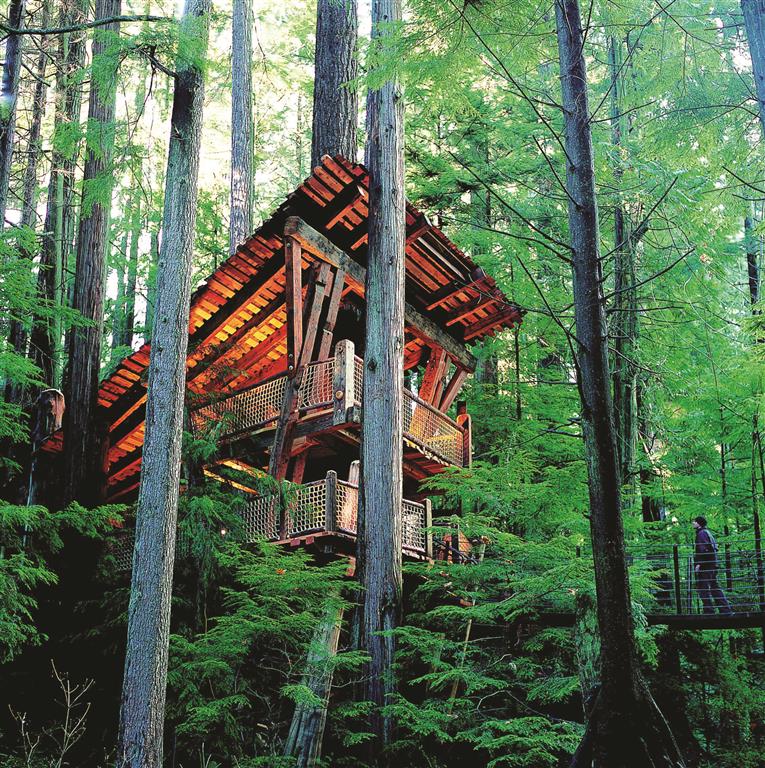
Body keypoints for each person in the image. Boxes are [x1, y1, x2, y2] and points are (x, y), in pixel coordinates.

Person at [693, 516, 733, 616]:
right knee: (715, 587)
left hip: (706, 566)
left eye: (695, 521)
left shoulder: (701, 534)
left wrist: (699, 563)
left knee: (703, 588)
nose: (693, 523)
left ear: (699, 523)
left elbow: (703, 550)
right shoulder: (707, 533)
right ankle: (725, 610)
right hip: (712, 564)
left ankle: (709, 611)